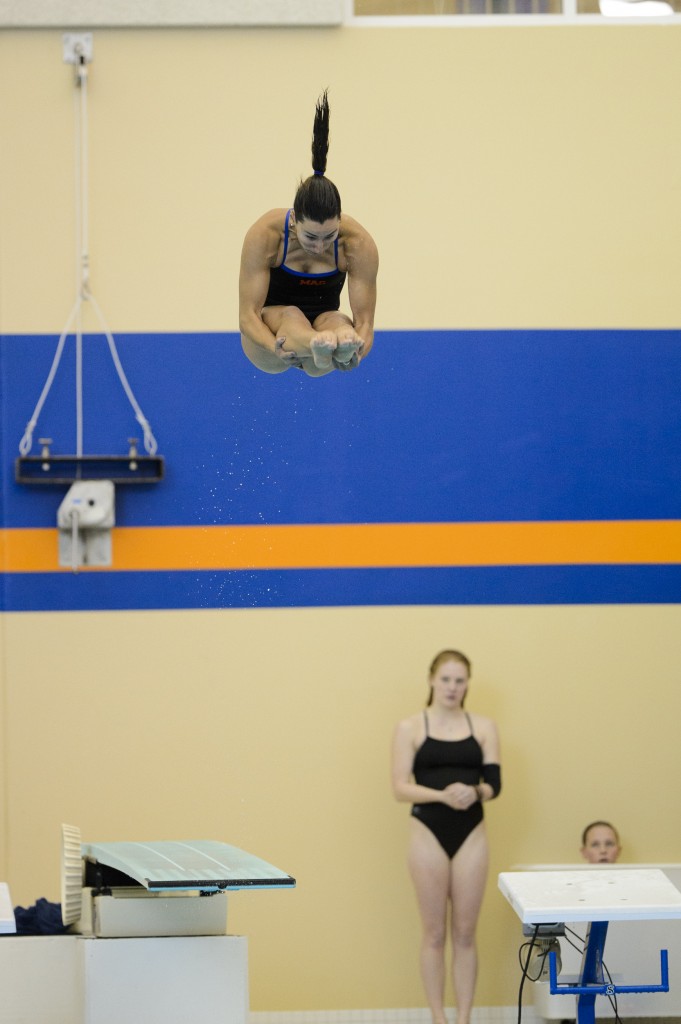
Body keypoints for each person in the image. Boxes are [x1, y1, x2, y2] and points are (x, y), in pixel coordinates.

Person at [392, 650, 502, 1024]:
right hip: (427, 830)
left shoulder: (484, 726)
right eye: (446, 679)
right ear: (431, 680)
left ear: (468, 683)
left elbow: (495, 784)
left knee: (466, 932)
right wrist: (442, 795)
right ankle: (439, 1017)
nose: (453, 687)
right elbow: (399, 787)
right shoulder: (411, 727)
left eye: (460, 680)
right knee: (435, 933)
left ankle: (465, 1018)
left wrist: (476, 792)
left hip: (471, 832)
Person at [239, 91, 378, 377]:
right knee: (292, 315)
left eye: (329, 236)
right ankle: (318, 343)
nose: (320, 246)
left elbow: (364, 322)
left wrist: (359, 350)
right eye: (311, 237)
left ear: (339, 221)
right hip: (271, 340)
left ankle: (329, 344)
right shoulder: (266, 234)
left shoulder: (357, 243)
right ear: (293, 222)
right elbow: (248, 317)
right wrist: (273, 346)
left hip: (322, 331)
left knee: (339, 323)